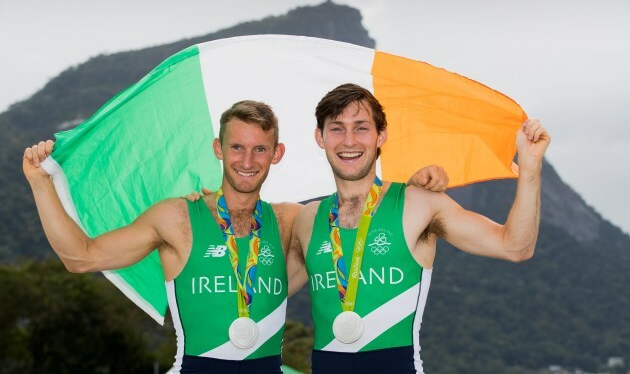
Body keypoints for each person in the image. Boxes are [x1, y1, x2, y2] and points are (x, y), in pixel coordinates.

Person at [23, 100, 448, 373]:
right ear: (218, 149)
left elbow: (362, 221)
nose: (247, 160)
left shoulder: (292, 222)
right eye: (237, 148)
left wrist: (416, 187)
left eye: (260, 149)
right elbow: (80, 256)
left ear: (276, 155)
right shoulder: (177, 218)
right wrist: (40, 183)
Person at [287, 83, 551, 373]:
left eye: (361, 128)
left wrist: (530, 164)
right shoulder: (309, 219)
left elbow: (514, 246)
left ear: (381, 136)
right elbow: (267, 296)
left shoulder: (419, 203)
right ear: (320, 137)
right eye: (337, 128)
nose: (349, 140)